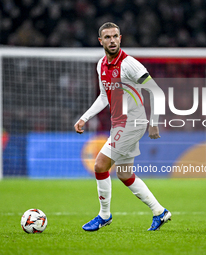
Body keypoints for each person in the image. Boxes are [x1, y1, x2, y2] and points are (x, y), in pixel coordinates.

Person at [74, 22, 171, 231]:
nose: (112, 40)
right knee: (125, 174)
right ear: (100, 41)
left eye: (115, 36)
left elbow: (157, 91)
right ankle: (160, 212)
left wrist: (153, 122)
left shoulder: (130, 64)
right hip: (118, 123)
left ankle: (104, 215)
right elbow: (103, 96)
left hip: (132, 123)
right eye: (107, 37)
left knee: (100, 165)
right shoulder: (101, 65)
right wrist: (85, 118)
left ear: (121, 38)